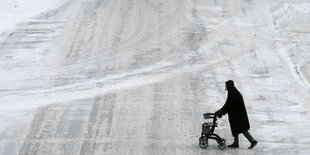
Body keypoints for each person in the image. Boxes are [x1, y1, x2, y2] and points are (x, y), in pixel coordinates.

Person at [215, 80, 258, 149]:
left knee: (242, 129)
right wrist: (221, 111)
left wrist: (221, 112)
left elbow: (229, 105)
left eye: (226, 85)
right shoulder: (232, 91)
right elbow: (228, 104)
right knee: (236, 128)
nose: (225, 87)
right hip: (236, 114)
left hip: (239, 115)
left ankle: (252, 141)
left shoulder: (233, 93)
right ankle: (236, 143)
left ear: (229, 86)